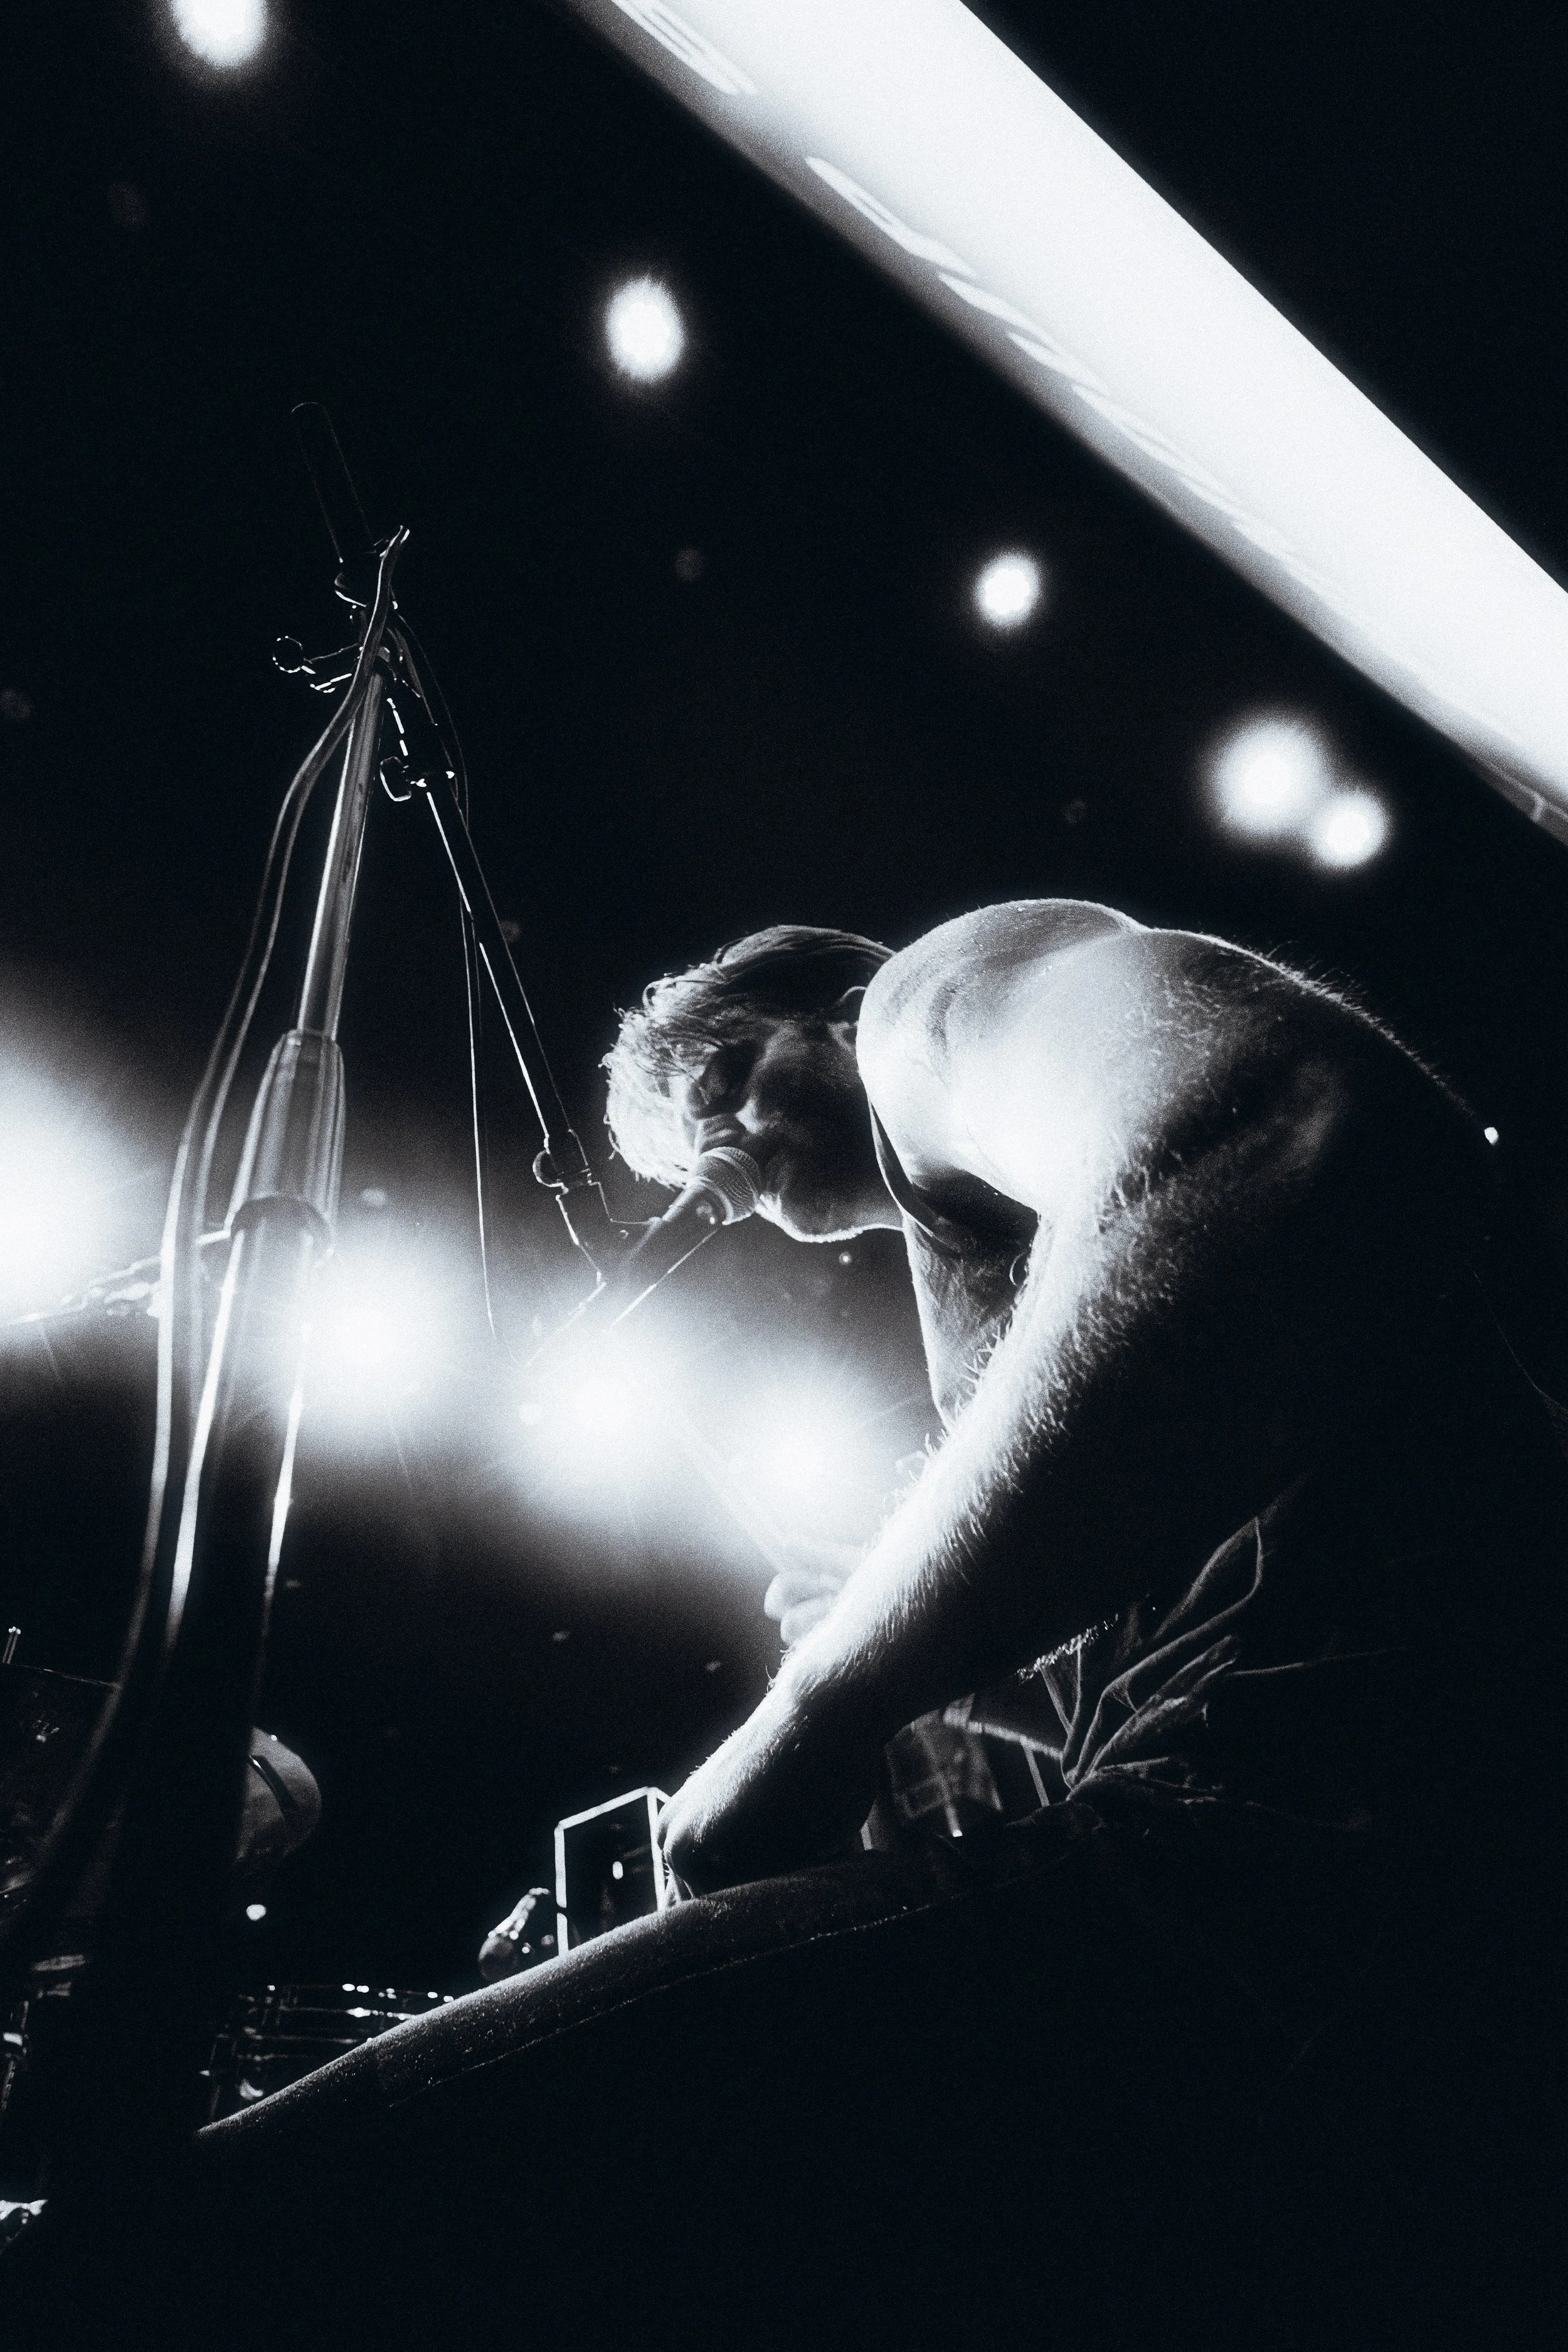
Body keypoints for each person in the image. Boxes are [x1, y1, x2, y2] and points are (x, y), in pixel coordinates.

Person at [13, 902, 1562, 2351]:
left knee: (180, 2246)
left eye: (724, 1085)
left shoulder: (935, 996)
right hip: (1373, 1871)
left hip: (1315, 1824)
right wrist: (951, 1677)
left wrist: (827, 1698)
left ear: (820, 1000)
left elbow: (1301, 1122)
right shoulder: (977, 1253)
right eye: (690, 1156)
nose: (716, 1161)